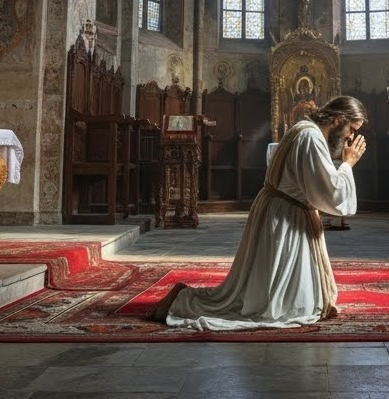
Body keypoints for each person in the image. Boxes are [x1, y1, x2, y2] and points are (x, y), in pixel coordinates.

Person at [147, 95, 369, 331]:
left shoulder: (304, 130)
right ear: (338, 119)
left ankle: (185, 299)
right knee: (279, 306)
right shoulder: (310, 136)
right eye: (351, 129)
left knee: (267, 289)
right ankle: (184, 302)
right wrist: (347, 164)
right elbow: (329, 191)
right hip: (285, 216)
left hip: (281, 210)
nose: (350, 136)